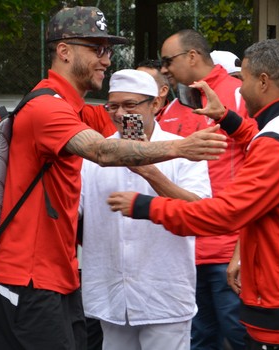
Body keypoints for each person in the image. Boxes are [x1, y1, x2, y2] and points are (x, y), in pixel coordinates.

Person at [0, 7, 226, 350]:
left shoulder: (74, 110)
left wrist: (216, 121)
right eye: (97, 49)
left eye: (108, 50)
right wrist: (182, 147)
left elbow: (127, 120)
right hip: (28, 277)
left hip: (62, 280)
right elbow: (103, 152)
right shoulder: (48, 108)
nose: (107, 60)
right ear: (64, 51)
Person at [108, 39, 279, 349]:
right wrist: (226, 118)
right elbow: (264, 141)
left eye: (244, 80)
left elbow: (224, 213)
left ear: (264, 81)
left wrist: (145, 206)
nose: (239, 89)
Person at [79, 69, 211, 350]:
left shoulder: (183, 151)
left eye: (130, 105)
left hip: (163, 293)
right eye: (112, 106)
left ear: (155, 104)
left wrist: (151, 173)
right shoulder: (94, 157)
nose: (119, 114)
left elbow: (201, 214)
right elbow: (74, 215)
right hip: (111, 294)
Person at [158, 29, 248, 350]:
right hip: (183, 254)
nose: (164, 69)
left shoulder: (238, 94)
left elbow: (264, 163)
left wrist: (244, 241)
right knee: (196, 342)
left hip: (229, 251)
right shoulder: (171, 109)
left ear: (193, 56)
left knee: (239, 339)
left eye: (169, 61)